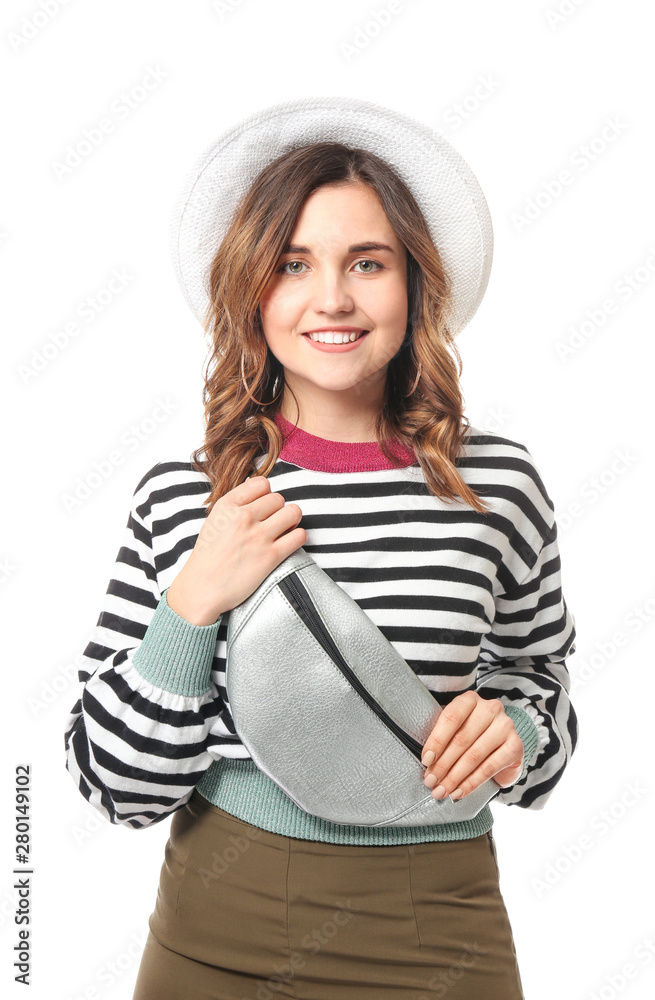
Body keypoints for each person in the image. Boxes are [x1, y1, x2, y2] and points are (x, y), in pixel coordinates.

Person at [63, 96, 578, 999]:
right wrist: (192, 604)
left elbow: (544, 690)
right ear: (251, 291)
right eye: (292, 265)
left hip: (441, 926)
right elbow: (114, 784)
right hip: (219, 928)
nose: (332, 298)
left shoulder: (497, 484)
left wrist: (518, 729)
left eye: (367, 263)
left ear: (415, 284)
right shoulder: (188, 497)